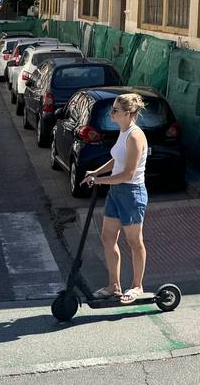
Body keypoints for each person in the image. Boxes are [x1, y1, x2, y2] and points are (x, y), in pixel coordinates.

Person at [82, 93, 150, 304]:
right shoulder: (123, 132)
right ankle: (114, 286)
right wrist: (96, 172)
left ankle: (137, 286)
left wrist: (101, 181)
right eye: (112, 109)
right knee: (108, 237)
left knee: (134, 241)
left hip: (131, 193)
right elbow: (116, 160)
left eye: (115, 110)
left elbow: (128, 173)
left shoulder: (135, 136)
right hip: (116, 193)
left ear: (128, 113)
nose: (111, 113)